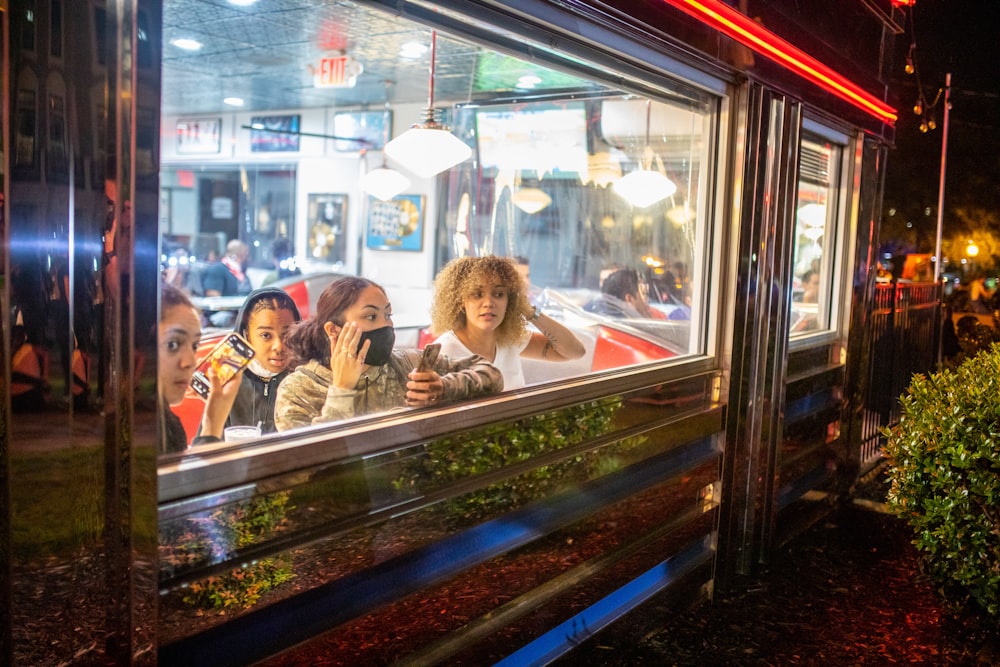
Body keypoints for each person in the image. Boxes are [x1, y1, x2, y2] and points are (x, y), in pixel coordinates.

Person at [274, 277, 503, 431]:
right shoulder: (298, 389)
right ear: (334, 330)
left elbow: (490, 374)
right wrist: (341, 391)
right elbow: (302, 471)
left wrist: (444, 387)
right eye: (371, 317)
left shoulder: (404, 364)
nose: (386, 326)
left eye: (388, 315)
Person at [429, 255, 585, 390]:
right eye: (477, 294)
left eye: (498, 294)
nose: (488, 303)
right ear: (460, 301)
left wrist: (530, 312)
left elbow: (576, 352)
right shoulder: (444, 352)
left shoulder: (510, 339)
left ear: (509, 300)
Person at [158, 283, 243, 454]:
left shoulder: (165, 422)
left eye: (195, 345)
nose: (190, 362)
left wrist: (215, 417)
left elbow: (185, 478)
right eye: (173, 344)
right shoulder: (143, 431)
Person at [220, 287, 301, 435]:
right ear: (246, 335)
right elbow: (208, 448)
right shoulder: (228, 381)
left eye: (287, 333)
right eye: (265, 335)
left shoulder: (305, 380)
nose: (279, 346)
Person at [584, 268, 666, 320]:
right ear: (629, 299)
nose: (646, 302)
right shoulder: (634, 329)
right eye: (643, 294)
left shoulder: (590, 315)